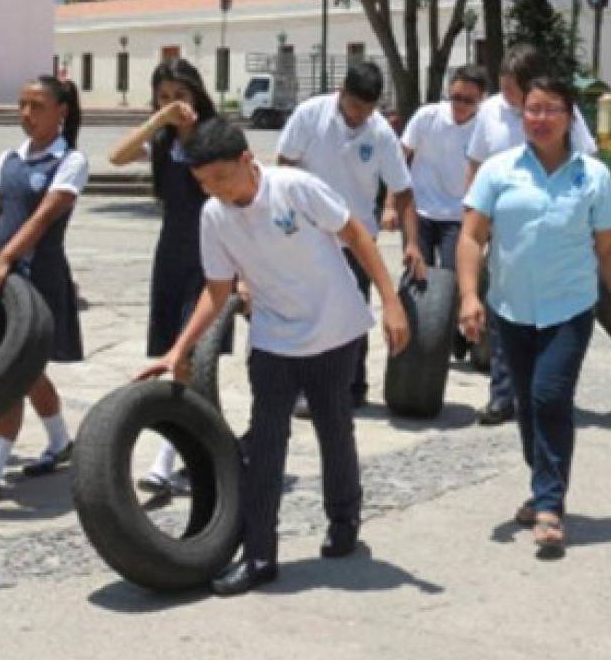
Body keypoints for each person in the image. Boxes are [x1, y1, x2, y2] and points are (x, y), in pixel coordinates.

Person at [137, 118, 410, 596]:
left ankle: (344, 518)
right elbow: (217, 290)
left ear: (247, 160)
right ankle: (260, 554)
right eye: (204, 183)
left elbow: (357, 236)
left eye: (222, 177)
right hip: (273, 339)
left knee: (334, 428)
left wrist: (390, 301)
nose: (216, 190)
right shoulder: (214, 216)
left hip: (333, 329)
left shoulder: (296, 188)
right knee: (265, 445)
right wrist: (178, 349)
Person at [457, 76, 611, 556]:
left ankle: (551, 505)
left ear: (569, 117)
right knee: (525, 402)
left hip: (568, 307)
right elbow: (471, 237)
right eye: (531, 110)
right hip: (510, 308)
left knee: (549, 396)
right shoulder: (498, 170)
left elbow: (610, 248)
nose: (539, 118)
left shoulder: (592, 176)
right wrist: (470, 296)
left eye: (550, 109)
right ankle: (541, 487)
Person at [0, 76, 88, 508]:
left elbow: (43, 219)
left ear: (60, 110)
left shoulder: (71, 161)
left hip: (39, 277)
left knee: (11, 372)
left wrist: (6, 258)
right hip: (0, 276)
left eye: (37, 105)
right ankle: (61, 441)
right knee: (23, 370)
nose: (26, 114)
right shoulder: (9, 157)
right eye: (22, 104)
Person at [275, 61, 424, 410]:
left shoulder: (380, 133)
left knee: (353, 314)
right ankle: (305, 387)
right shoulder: (310, 115)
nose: (361, 116)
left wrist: (413, 243)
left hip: (357, 239)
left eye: (369, 109)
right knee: (309, 311)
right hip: (309, 234)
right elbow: (284, 166)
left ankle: (352, 386)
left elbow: (402, 190)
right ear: (341, 92)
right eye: (356, 107)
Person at [465, 44, 598, 426]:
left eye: (512, 87)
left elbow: (589, 162)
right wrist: (472, 217)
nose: (506, 94)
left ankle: (541, 390)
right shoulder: (489, 111)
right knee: (504, 307)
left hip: (553, 228)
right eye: (503, 85)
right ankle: (502, 394)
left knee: (549, 313)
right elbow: (474, 164)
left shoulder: (556, 112)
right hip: (502, 224)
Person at [108, 58, 217, 496]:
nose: (174, 105)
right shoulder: (163, 142)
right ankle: (203, 444)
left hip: (211, 254)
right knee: (178, 352)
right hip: (171, 252)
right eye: (165, 96)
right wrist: (159, 121)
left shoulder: (214, 138)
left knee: (186, 353)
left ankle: (167, 458)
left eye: (181, 96)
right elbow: (116, 157)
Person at [391, 63, 485, 272]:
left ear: (481, 100)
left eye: (468, 100)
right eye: (456, 97)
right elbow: (397, 160)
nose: (460, 104)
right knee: (416, 275)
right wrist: (390, 205)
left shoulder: (484, 127)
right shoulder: (428, 116)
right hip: (419, 211)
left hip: (457, 216)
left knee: (453, 278)